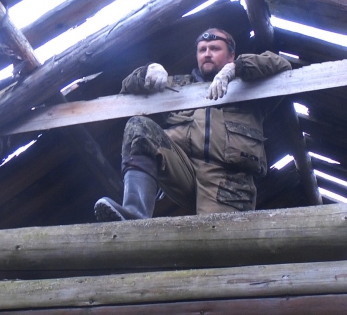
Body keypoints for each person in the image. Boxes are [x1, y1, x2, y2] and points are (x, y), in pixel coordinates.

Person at [94, 28, 292, 222]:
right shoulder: (178, 87)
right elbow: (126, 91)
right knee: (139, 126)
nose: (207, 54)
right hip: (182, 170)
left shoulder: (250, 88)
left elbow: (282, 65)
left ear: (231, 55)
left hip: (226, 183)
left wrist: (235, 69)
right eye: (202, 49)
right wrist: (147, 72)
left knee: (215, 240)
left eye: (215, 48)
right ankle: (134, 213)